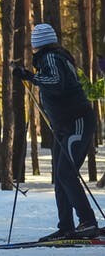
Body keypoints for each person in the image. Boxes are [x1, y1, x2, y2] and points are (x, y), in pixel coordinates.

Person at [12, 23, 99, 240]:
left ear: (38, 44)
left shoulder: (50, 57)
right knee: (60, 177)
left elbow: (56, 82)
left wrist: (29, 76)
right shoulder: (51, 58)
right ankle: (66, 226)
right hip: (64, 126)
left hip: (76, 122)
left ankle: (87, 222)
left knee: (66, 174)